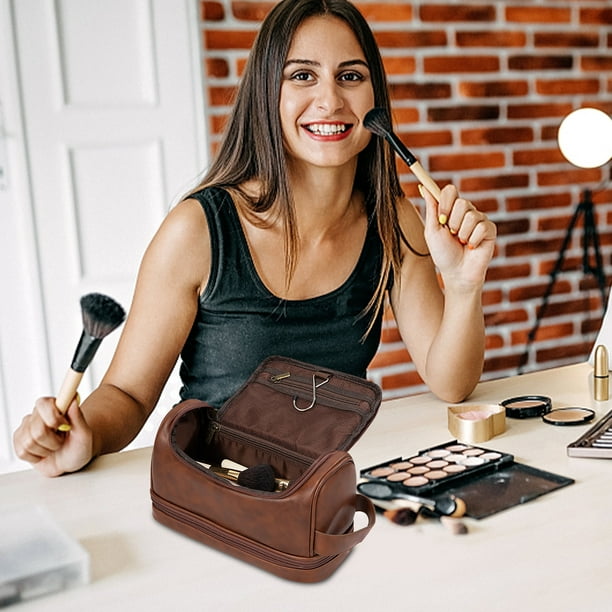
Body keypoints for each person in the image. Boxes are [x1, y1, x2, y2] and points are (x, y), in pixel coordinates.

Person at [13, 0, 496, 477]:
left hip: (329, 484)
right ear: (267, 92)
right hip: (218, 492)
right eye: (302, 75)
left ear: (375, 99)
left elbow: (451, 385)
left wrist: (462, 285)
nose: (330, 100)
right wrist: (85, 435)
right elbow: (127, 395)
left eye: (350, 76)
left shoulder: (394, 220)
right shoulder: (197, 230)